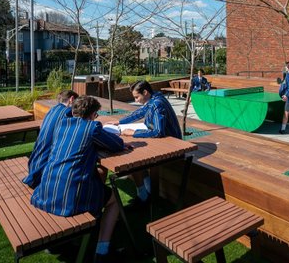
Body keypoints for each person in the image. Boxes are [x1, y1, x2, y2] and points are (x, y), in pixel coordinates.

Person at [31, 95, 128, 262]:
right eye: (96, 114)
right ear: (92, 114)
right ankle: (102, 251)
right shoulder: (92, 127)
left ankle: (92, 222)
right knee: (114, 199)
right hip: (71, 194)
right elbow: (116, 144)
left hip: (46, 188)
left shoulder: (62, 124)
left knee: (97, 174)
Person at [106, 80, 182, 208]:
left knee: (134, 156)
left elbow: (158, 131)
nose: (136, 100)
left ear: (145, 92)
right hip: (164, 140)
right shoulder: (154, 98)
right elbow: (139, 113)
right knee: (133, 153)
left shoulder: (157, 104)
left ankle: (144, 193)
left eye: (137, 97)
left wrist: (133, 133)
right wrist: (119, 122)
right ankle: (145, 186)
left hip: (171, 144)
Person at [23, 89, 78, 189]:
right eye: (77, 104)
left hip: (34, 166)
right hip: (44, 174)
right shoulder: (68, 112)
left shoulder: (52, 110)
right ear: (72, 99)